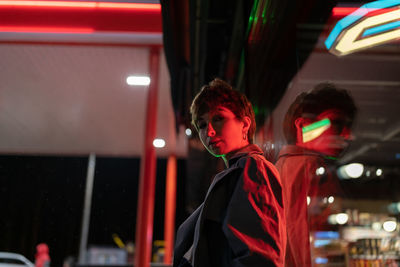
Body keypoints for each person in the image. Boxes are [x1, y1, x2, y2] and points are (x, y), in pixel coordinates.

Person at [173, 78, 286, 267]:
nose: (209, 131)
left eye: (218, 118)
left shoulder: (253, 168)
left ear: (245, 124)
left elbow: (259, 255)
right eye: (201, 124)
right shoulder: (239, 170)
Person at [275, 82, 357, 267]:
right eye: (336, 122)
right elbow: (306, 239)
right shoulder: (311, 168)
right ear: (303, 125)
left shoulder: (280, 166)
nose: (346, 134)